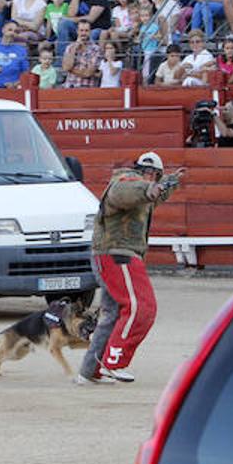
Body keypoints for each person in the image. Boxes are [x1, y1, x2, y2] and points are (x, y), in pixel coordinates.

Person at [77, 151, 185, 386]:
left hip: (110, 254)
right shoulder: (126, 181)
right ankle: (114, 362)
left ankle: (90, 371)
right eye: (151, 175)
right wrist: (152, 187)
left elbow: (154, 195)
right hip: (118, 254)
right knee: (141, 307)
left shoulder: (144, 188)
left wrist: (171, 182)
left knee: (113, 315)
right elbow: (130, 192)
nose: (151, 179)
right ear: (143, 171)